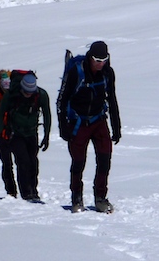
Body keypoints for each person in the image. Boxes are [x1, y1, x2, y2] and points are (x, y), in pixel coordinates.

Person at [57, 41, 122, 213]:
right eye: (97, 59)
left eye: (104, 59)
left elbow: (112, 99)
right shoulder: (76, 71)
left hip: (99, 121)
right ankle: (76, 199)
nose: (100, 63)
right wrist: (63, 126)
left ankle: (100, 198)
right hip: (78, 123)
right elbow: (62, 100)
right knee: (78, 162)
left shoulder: (108, 73)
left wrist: (116, 126)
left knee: (104, 160)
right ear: (90, 57)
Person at [0, 72, 51, 202]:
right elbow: (0, 114)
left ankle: (33, 190)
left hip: (31, 133)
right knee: (23, 161)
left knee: (33, 162)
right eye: (26, 92)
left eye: (30, 92)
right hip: (15, 133)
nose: (28, 94)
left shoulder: (41, 95)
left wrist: (46, 135)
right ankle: (26, 193)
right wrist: (1, 133)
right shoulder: (12, 95)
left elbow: (47, 115)